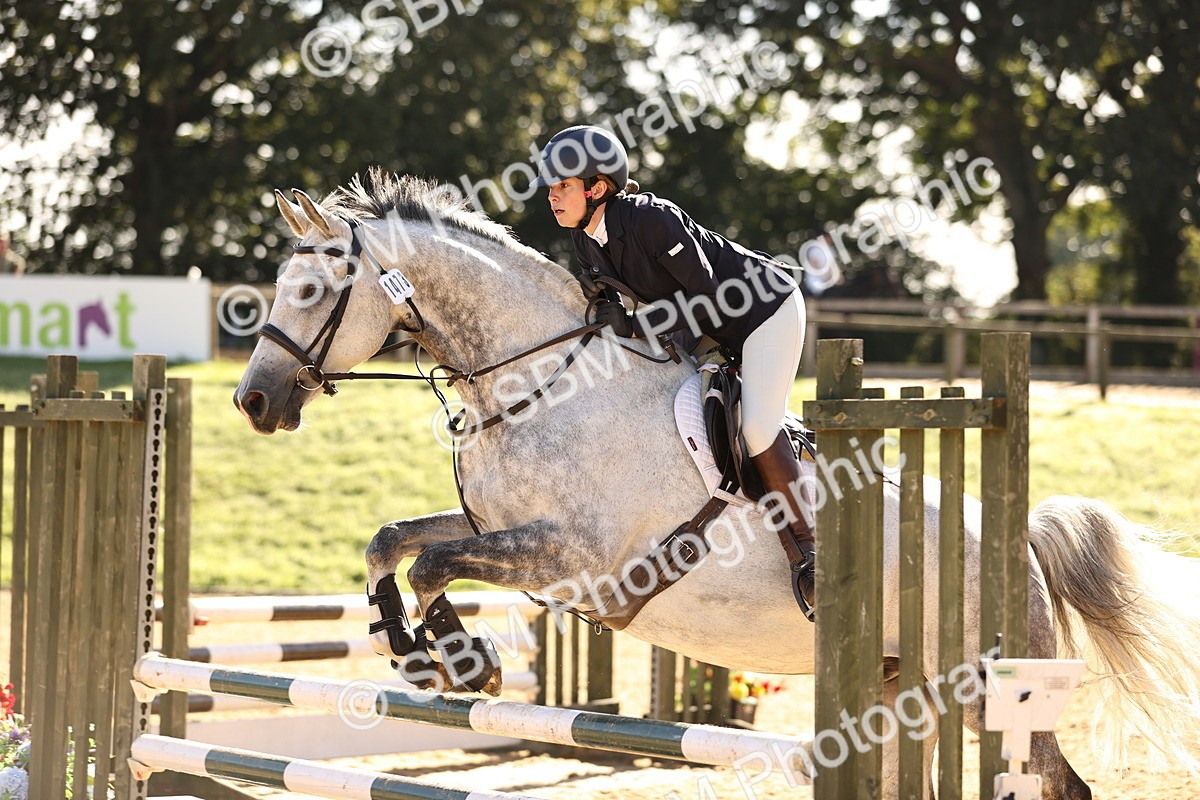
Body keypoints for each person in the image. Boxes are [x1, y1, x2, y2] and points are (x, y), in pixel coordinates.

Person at [530, 125, 816, 619]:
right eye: (551, 187)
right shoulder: (585, 241)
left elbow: (709, 298)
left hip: (763, 310)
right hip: (712, 330)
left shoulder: (652, 219)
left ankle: (809, 552)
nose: (552, 196)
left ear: (597, 188)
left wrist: (636, 322)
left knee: (756, 427)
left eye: (563, 186)